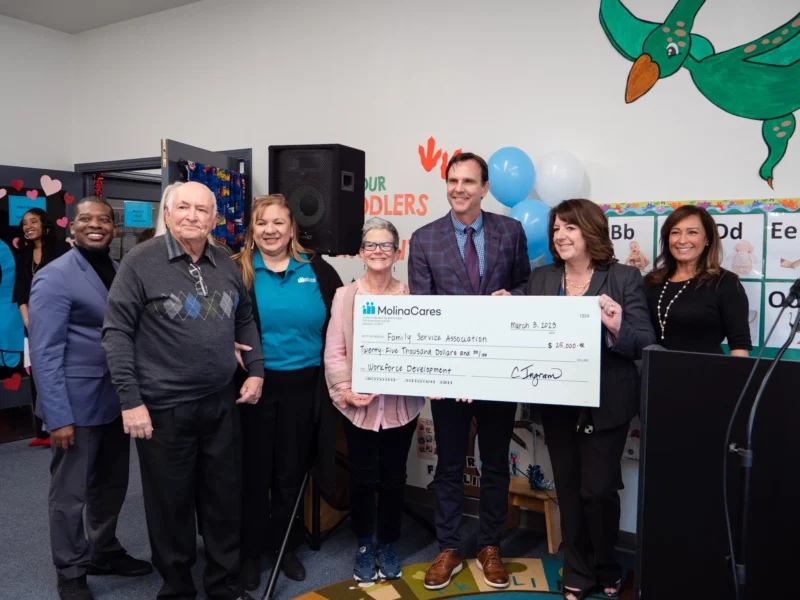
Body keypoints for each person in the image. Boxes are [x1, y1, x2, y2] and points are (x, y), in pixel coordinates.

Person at [101, 181, 264, 600]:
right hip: (163, 408)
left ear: (214, 219)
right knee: (169, 507)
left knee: (223, 502)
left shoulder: (225, 261)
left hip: (221, 403)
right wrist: (130, 401)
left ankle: (224, 585)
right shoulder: (140, 261)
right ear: (169, 213)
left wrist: (256, 371)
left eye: (202, 210)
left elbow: (245, 317)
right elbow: (116, 333)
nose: (193, 216)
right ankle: (177, 589)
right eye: (184, 207)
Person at [407, 152, 530, 591]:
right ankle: (449, 547)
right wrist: (437, 374)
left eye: (468, 181)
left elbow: (525, 285)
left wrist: (513, 298)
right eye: (452, 180)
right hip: (450, 374)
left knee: (495, 462)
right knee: (449, 463)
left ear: (484, 188)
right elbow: (422, 310)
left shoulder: (510, 231)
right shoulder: (425, 238)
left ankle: (490, 545)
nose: (459, 188)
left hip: (497, 370)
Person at [526, 199, 656, 600]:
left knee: (597, 490)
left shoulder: (623, 277)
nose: (560, 236)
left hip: (607, 401)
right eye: (556, 228)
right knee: (568, 490)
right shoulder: (542, 278)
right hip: (557, 401)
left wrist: (616, 326)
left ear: (591, 231)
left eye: (570, 227)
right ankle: (578, 570)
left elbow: (645, 341)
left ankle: (607, 564)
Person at [28, 196, 152, 600]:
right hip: (75, 406)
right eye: (86, 219)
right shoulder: (54, 276)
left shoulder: (117, 269)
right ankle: (70, 569)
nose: (95, 225)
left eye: (104, 219)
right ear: (72, 226)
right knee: (70, 494)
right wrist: (57, 416)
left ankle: (103, 550)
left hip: (117, 401)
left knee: (111, 485)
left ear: (113, 228)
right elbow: (45, 352)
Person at [233, 194, 343, 591]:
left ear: (292, 228)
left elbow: (341, 324)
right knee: (253, 471)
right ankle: (249, 551)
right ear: (253, 229)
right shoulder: (238, 270)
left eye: (278, 222)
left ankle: (285, 544)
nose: (270, 230)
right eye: (262, 223)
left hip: (305, 386)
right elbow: (215, 321)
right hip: (253, 386)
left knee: (290, 470)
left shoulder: (318, 269)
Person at [324, 217, 424, 582]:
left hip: (401, 408)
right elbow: (335, 352)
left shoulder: (413, 298)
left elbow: (424, 350)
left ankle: (389, 544)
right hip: (358, 409)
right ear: (361, 252)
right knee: (363, 478)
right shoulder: (345, 296)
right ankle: (365, 545)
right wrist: (347, 393)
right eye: (371, 245)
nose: (378, 251)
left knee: (395, 478)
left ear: (397, 253)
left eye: (385, 245)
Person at [644, 205, 751, 356]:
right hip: (653, 369)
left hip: (707, 370)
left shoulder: (726, 282)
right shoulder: (651, 281)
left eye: (692, 232)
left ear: (707, 239)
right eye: (675, 232)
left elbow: (739, 345)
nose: (682, 240)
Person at [14, 207, 70, 446]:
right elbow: (20, 290)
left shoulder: (61, 250)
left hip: (61, 318)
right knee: (40, 372)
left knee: (61, 370)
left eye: (33, 221)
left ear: (44, 225)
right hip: (34, 323)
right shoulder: (24, 255)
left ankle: (62, 424)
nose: (28, 226)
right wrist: (27, 320)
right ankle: (43, 431)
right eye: (25, 223)